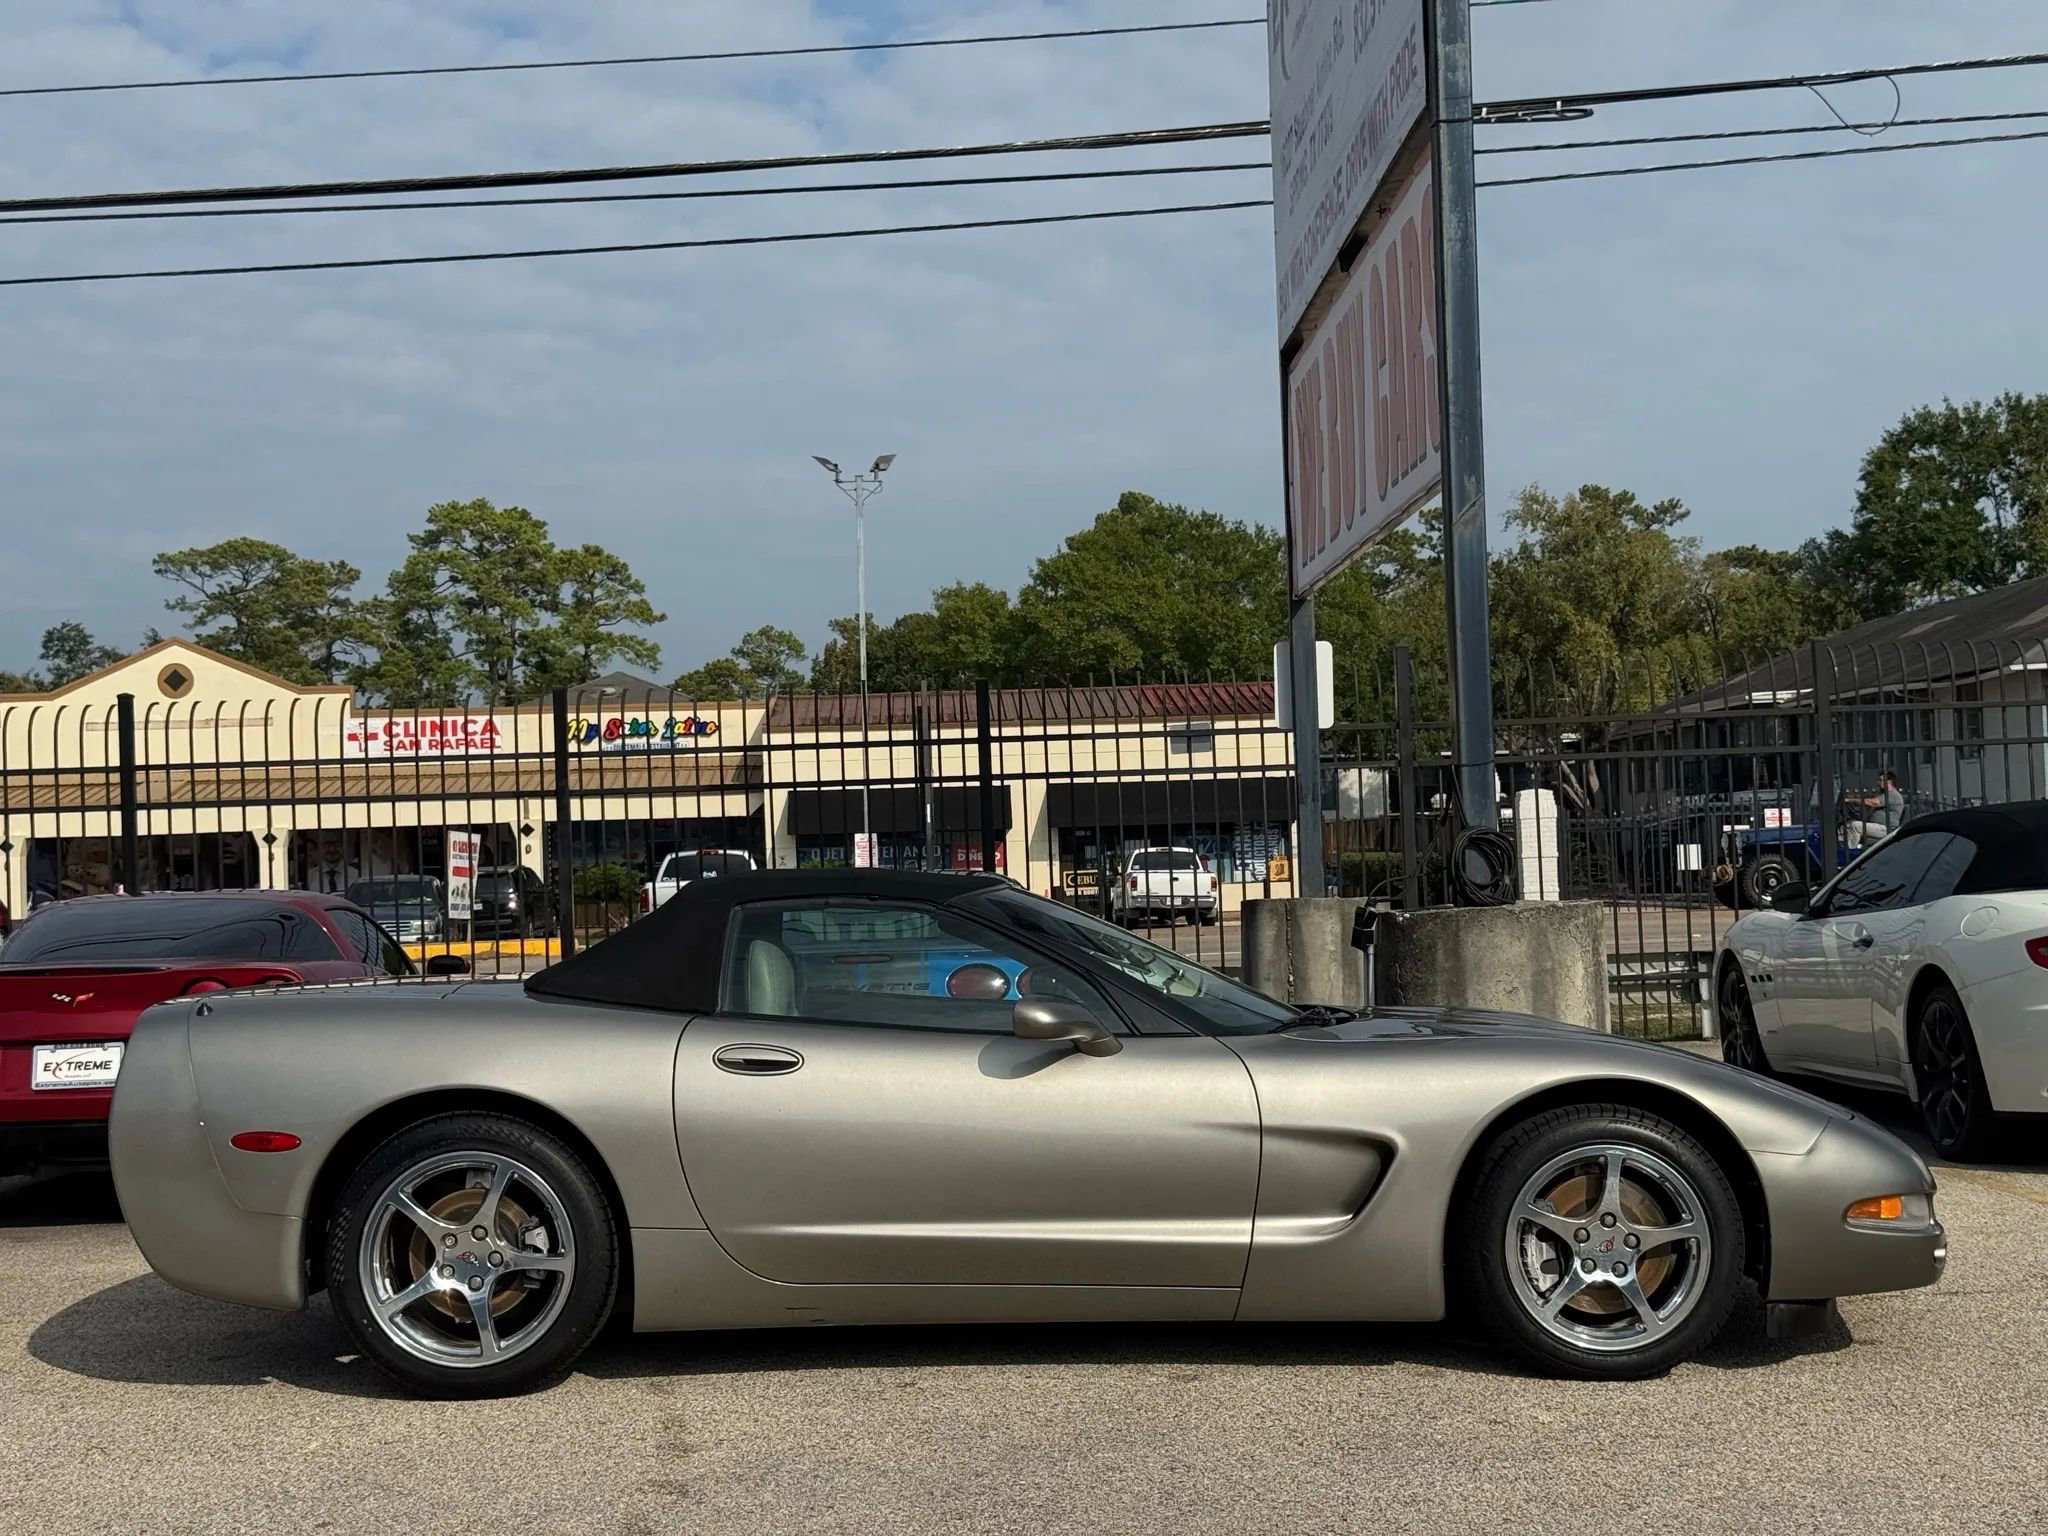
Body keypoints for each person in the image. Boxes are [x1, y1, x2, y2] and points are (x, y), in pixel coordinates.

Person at [1844, 769, 1905, 849]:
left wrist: (1850, 800)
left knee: (1855, 826)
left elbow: (1874, 802)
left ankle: (1850, 851)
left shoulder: (1893, 795)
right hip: (1880, 827)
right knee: (1848, 825)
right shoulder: (1884, 794)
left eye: (1880, 780)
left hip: (1886, 829)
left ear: (1889, 782)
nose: (1878, 783)